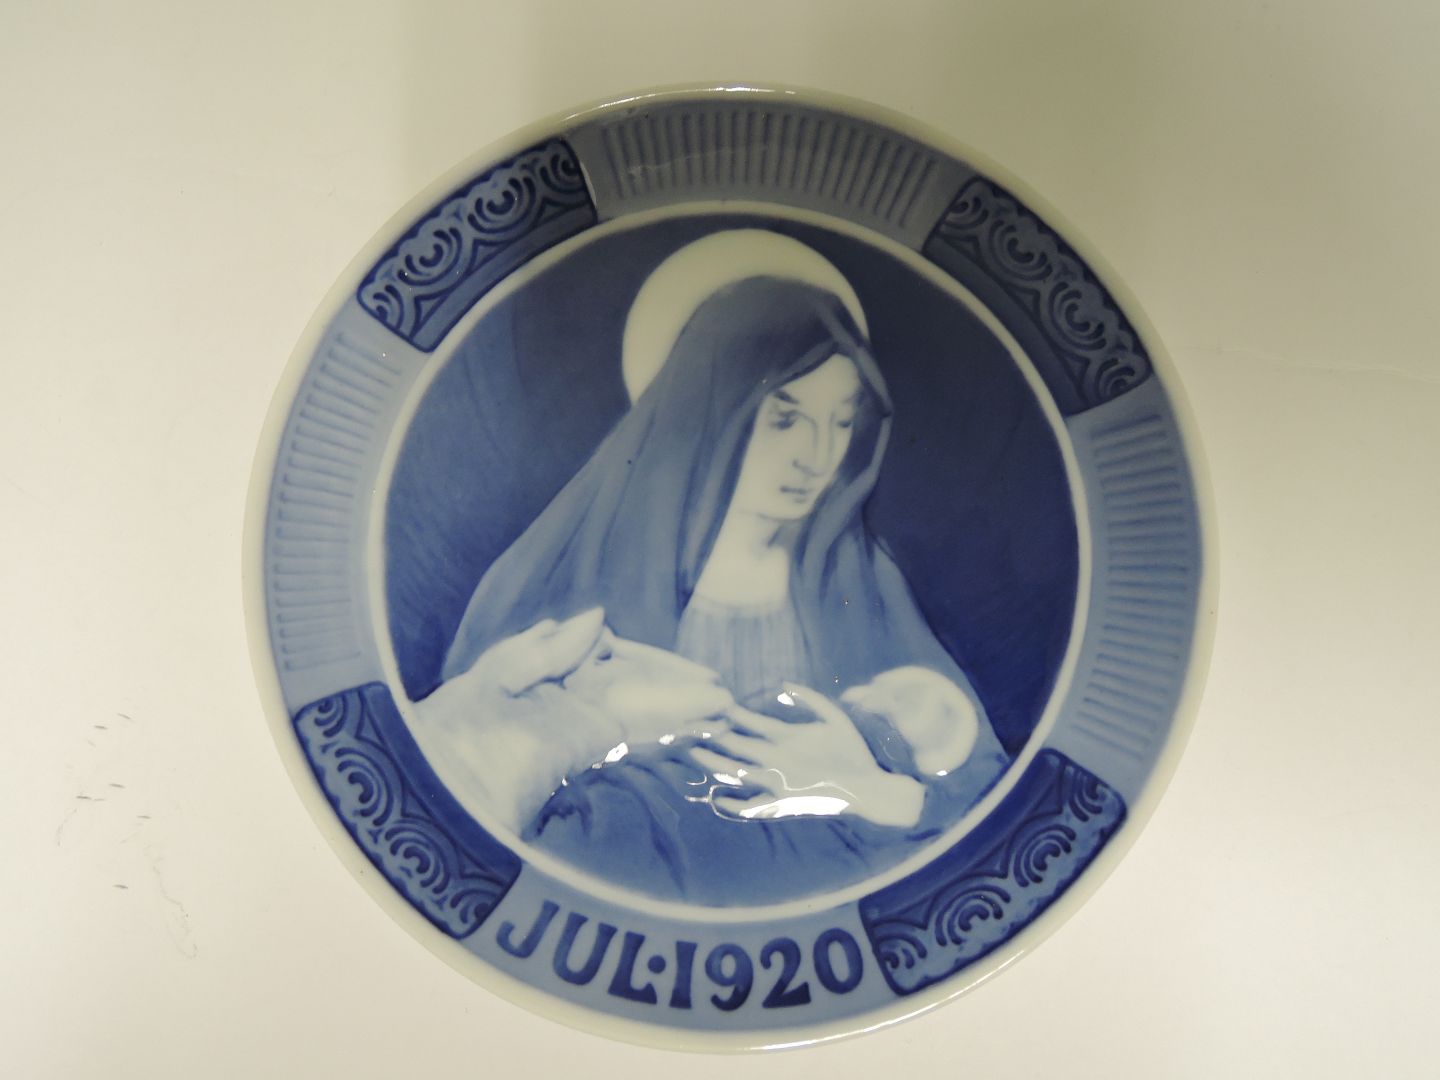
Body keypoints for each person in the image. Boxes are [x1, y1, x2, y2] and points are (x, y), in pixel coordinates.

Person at [411, 241, 1008, 904]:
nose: (817, 455)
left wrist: (862, 787)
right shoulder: (572, 573)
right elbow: (460, 811)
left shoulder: (857, 581)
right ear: (710, 408)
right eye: (784, 419)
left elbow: (979, 791)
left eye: (841, 422)